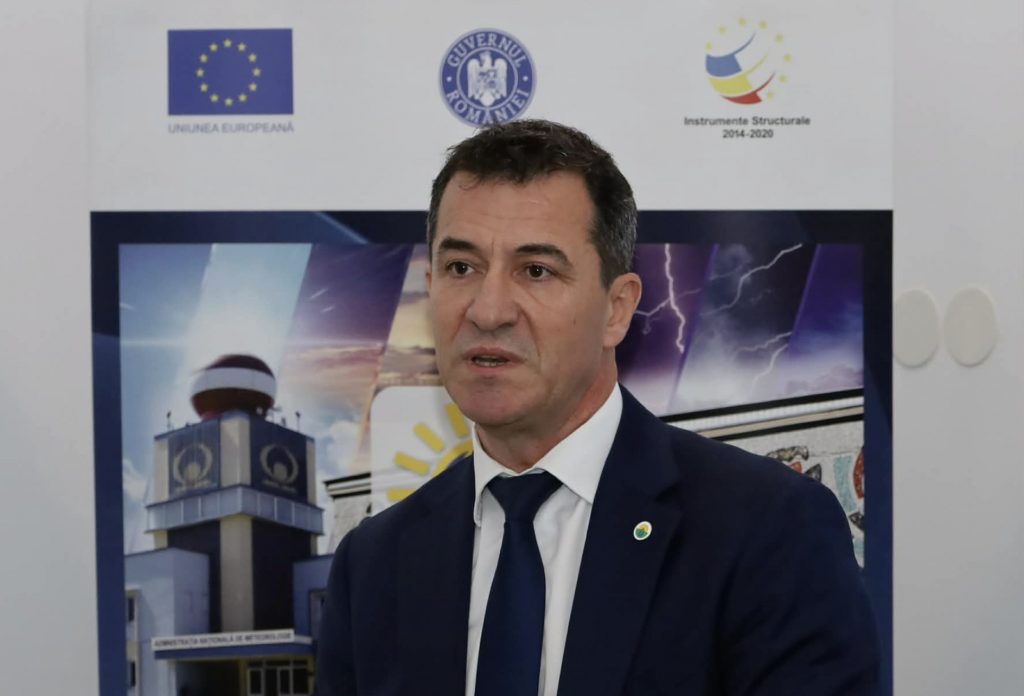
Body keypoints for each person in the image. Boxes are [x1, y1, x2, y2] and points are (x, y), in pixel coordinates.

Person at [315, 119, 880, 695]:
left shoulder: (767, 529)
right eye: (462, 268)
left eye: (536, 271)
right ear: (431, 285)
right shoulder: (373, 565)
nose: (488, 310)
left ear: (617, 309)